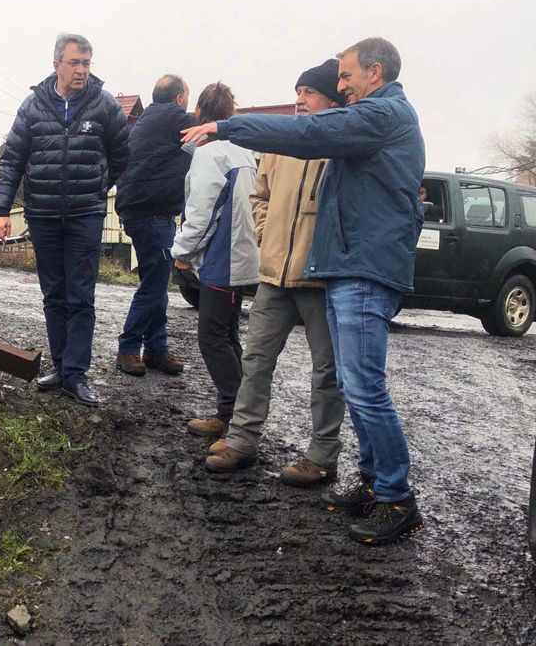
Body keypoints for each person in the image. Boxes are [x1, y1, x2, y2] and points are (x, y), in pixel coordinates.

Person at [181, 37, 425, 545]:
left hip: (363, 270)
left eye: (345, 76)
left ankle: (397, 497)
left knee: (361, 386)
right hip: (341, 268)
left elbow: (310, 134)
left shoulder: (383, 116)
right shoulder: (373, 120)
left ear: (374, 73)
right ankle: (376, 484)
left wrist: (228, 126)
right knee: (354, 386)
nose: (340, 86)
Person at [204, 60, 348, 488]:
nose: (299, 100)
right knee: (256, 359)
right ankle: (242, 440)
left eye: (308, 92)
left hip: (320, 279)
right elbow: (260, 194)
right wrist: (267, 234)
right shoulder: (282, 143)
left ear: (332, 99)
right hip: (274, 275)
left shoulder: (344, 143)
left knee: (327, 371)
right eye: (298, 91)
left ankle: (322, 456)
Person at [0, 33, 129, 407]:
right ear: (57, 65)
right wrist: (1, 210)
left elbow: (122, 155)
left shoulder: (103, 106)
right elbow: (12, 160)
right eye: (75, 63)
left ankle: (76, 374)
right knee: (53, 294)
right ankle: (60, 365)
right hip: (44, 214)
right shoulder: (33, 107)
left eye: (87, 63)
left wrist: (99, 186)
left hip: (85, 214)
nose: (82, 70)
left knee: (80, 295)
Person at [170, 83, 259, 438]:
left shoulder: (211, 155)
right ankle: (239, 414)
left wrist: (182, 253)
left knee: (211, 336)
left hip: (223, 258)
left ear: (199, 114)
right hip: (241, 254)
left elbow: (203, 212)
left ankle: (232, 417)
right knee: (227, 333)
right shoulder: (243, 151)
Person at [112, 75, 194, 377]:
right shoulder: (177, 119)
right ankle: (128, 348)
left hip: (135, 210)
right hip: (153, 212)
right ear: (179, 97)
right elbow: (209, 131)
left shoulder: (144, 121)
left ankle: (156, 349)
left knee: (157, 283)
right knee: (153, 286)